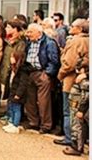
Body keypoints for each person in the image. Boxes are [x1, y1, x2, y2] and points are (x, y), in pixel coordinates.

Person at [55, 19, 89, 147]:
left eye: (73, 26)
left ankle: (70, 138)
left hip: (71, 81)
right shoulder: (88, 40)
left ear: (80, 29)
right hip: (83, 81)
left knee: (69, 111)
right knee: (81, 112)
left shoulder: (76, 41)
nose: (70, 27)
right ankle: (81, 139)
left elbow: (69, 62)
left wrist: (60, 75)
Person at [24, 23, 60, 133]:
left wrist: (47, 74)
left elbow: (54, 61)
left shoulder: (49, 43)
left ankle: (46, 125)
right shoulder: (29, 42)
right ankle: (33, 122)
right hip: (31, 72)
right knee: (30, 100)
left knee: (44, 101)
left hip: (42, 73)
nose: (28, 34)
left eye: (30, 32)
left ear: (39, 33)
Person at [63, 56, 89, 156]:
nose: (77, 71)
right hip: (75, 105)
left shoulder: (85, 81)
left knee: (78, 128)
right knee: (76, 126)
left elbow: (86, 96)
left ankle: (77, 147)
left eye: (79, 68)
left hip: (79, 107)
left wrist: (81, 110)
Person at [3, 50, 30, 134]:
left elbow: (23, 84)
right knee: (11, 108)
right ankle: (11, 123)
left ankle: (15, 125)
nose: (10, 59)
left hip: (18, 93)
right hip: (12, 91)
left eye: (12, 57)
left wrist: (18, 94)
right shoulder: (13, 68)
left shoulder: (22, 70)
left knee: (16, 109)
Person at [0, 19, 27, 88]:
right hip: (3, 75)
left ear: (15, 29)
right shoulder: (6, 42)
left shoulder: (21, 43)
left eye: (8, 27)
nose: (6, 29)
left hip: (14, 76)